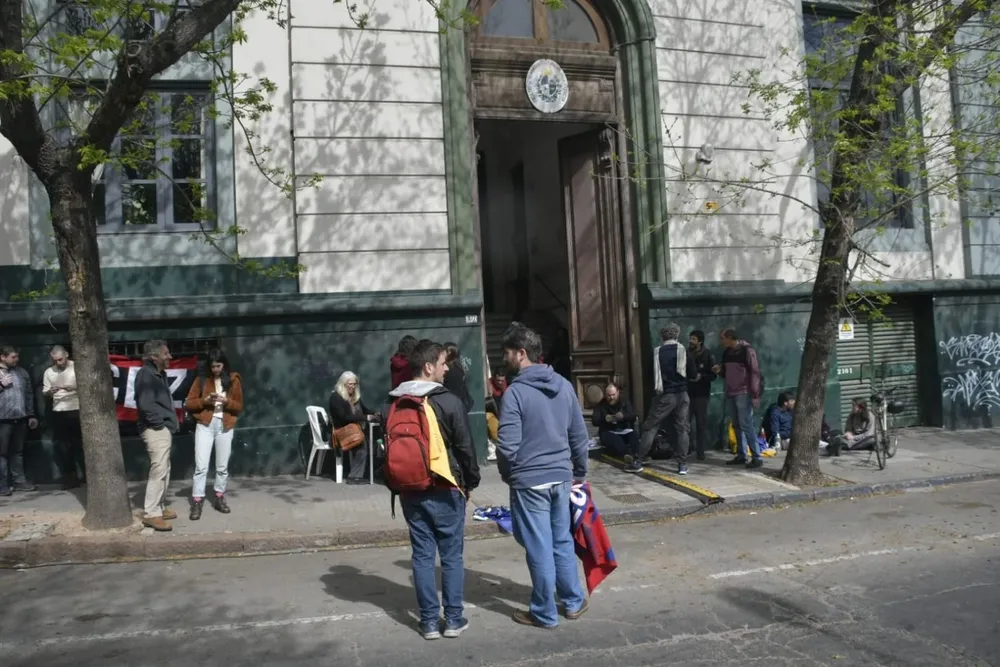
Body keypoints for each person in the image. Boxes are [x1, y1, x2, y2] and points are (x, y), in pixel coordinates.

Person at [496, 322, 590, 629]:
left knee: (539, 547)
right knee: (561, 541)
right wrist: (579, 471)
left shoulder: (515, 393)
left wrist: (508, 474)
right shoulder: (563, 385)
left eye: (508, 352)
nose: (505, 358)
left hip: (530, 480)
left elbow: (507, 446)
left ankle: (544, 612)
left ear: (521, 353)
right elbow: (579, 435)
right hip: (561, 477)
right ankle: (573, 601)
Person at [387, 340, 480, 640]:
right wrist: (471, 482)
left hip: (410, 490)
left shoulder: (395, 402)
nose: (446, 368)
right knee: (451, 557)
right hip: (446, 487)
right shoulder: (448, 401)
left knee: (422, 556)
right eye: (442, 363)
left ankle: (428, 622)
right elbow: (465, 448)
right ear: (428, 367)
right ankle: (453, 619)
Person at [628, 323, 697, 475]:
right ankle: (682, 465)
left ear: (662, 336)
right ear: (677, 335)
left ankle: (638, 461)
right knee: (682, 429)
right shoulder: (683, 351)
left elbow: (648, 375)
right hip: (682, 394)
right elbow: (692, 373)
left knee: (651, 427)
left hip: (664, 395)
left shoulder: (657, 352)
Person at [185, 349, 244, 520]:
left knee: (222, 466)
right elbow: (189, 403)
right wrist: (205, 400)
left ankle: (219, 497)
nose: (216, 369)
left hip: (225, 425)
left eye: (218, 366)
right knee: (201, 466)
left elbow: (239, 406)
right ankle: (197, 501)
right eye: (213, 366)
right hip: (205, 425)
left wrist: (227, 401)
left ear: (224, 364)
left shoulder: (233, 380)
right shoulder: (202, 379)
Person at [134, 340, 179, 531]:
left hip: (161, 428)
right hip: (155, 429)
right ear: (154, 357)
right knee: (159, 469)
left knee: (164, 468)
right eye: (165, 354)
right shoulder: (146, 375)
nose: (170, 357)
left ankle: (159, 507)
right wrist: (160, 425)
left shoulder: (159, 374)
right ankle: (152, 514)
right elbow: (146, 405)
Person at [713, 329, 763, 469]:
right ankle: (742, 454)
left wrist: (755, 395)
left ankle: (756, 457)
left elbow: (754, 373)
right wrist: (719, 371)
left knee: (746, 424)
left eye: (723, 338)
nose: (721, 341)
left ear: (730, 338)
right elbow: (725, 373)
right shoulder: (727, 352)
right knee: (736, 424)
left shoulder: (747, 350)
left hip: (743, 392)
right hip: (731, 392)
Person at [43, 345, 85, 490]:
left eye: (60, 359)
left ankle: (88, 474)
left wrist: (73, 388)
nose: (58, 363)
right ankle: (71, 478)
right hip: (59, 410)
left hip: (77, 408)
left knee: (81, 444)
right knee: (63, 446)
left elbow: (88, 387)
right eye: (55, 360)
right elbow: (45, 392)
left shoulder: (77, 367)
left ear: (66, 354)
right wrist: (51, 391)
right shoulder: (49, 372)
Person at [0, 344, 39, 496]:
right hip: (2, 420)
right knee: (2, 453)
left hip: (20, 418)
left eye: (17, 356)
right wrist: (1, 385)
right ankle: (2, 485)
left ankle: (19, 481)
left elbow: (29, 394)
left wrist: (31, 415)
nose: (16, 359)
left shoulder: (22, 372)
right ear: (2, 357)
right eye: (13, 357)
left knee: (18, 452)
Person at [329, 371, 378, 484]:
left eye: (354, 384)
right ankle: (354, 477)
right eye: (349, 384)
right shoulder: (336, 397)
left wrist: (375, 414)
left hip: (355, 429)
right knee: (361, 443)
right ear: (343, 384)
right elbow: (344, 417)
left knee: (369, 438)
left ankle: (372, 471)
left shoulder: (354, 397)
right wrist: (367, 418)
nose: (352, 387)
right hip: (341, 432)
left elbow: (365, 410)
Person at [687, 330, 716, 461]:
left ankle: (700, 451)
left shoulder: (707, 355)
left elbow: (713, 376)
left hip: (701, 395)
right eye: (690, 338)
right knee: (685, 423)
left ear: (700, 341)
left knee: (700, 423)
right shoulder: (686, 353)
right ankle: (686, 449)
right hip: (687, 393)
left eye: (693, 339)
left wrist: (701, 377)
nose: (691, 341)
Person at [591, 383, 637, 458]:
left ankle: (638, 455)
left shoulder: (624, 402)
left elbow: (633, 416)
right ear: (605, 395)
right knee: (615, 440)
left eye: (613, 395)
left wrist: (623, 416)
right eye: (609, 395)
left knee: (633, 436)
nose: (611, 397)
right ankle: (627, 456)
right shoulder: (601, 405)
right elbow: (594, 421)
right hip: (608, 431)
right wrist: (605, 419)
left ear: (618, 392)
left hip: (624, 430)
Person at [442, 342, 474, 412]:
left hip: (454, 406)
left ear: (449, 353)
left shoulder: (450, 370)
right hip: (460, 405)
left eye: (443, 351)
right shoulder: (458, 367)